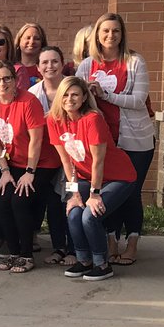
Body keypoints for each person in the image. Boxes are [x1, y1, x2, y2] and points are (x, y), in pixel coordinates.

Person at [76, 12, 155, 266]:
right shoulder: (88, 64)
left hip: (135, 139)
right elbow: (75, 97)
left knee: (131, 193)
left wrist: (106, 94)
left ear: (122, 34)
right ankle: (110, 238)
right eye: (105, 31)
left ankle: (131, 242)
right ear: (97, 35)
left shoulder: (134, 62)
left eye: (116, 31)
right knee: (107, 192)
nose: (111, 36)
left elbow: (138, 99)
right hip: (102, 141)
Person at [46, 76, 138, 282]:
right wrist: (74, 193)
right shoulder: (54, 120)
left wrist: (94, 194)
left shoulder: (93, 119)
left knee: (90, 215)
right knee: (73, 211)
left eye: (75, 94)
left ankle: (101, 264)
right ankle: (83, 259)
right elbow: (66, 162)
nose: (70, 99)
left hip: (118, 177)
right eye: (66, 95)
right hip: (87, 177)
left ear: (84, 97)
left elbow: (98, 161)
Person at [0, 60, 48, 274]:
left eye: (7, 78)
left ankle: (26, 255)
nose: (2, 83)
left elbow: (36, 140)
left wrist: (30, 172)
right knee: (3, 199)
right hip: (13, 163)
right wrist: (4, 170)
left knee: (19, 202)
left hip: (39, 163)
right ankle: (13, 253)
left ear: (15, 80)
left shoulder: (28, 101)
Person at [28, 45, 72, 266]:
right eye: (44, 62)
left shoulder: (72, 89)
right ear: (37, 67)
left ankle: (74, 249)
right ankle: (59, 247)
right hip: (46, 158)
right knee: (53, 202)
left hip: (72, 159)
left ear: (62, 64)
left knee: (72, 198)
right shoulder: (33, 95)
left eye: (54, 61)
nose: (50, 66)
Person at [14, 22, 48, 90]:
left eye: (37, 38)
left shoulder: (47, 68)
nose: (32, 42)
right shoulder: (11, 68)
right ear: (19, 41)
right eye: (28, 38)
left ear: (42, 43)